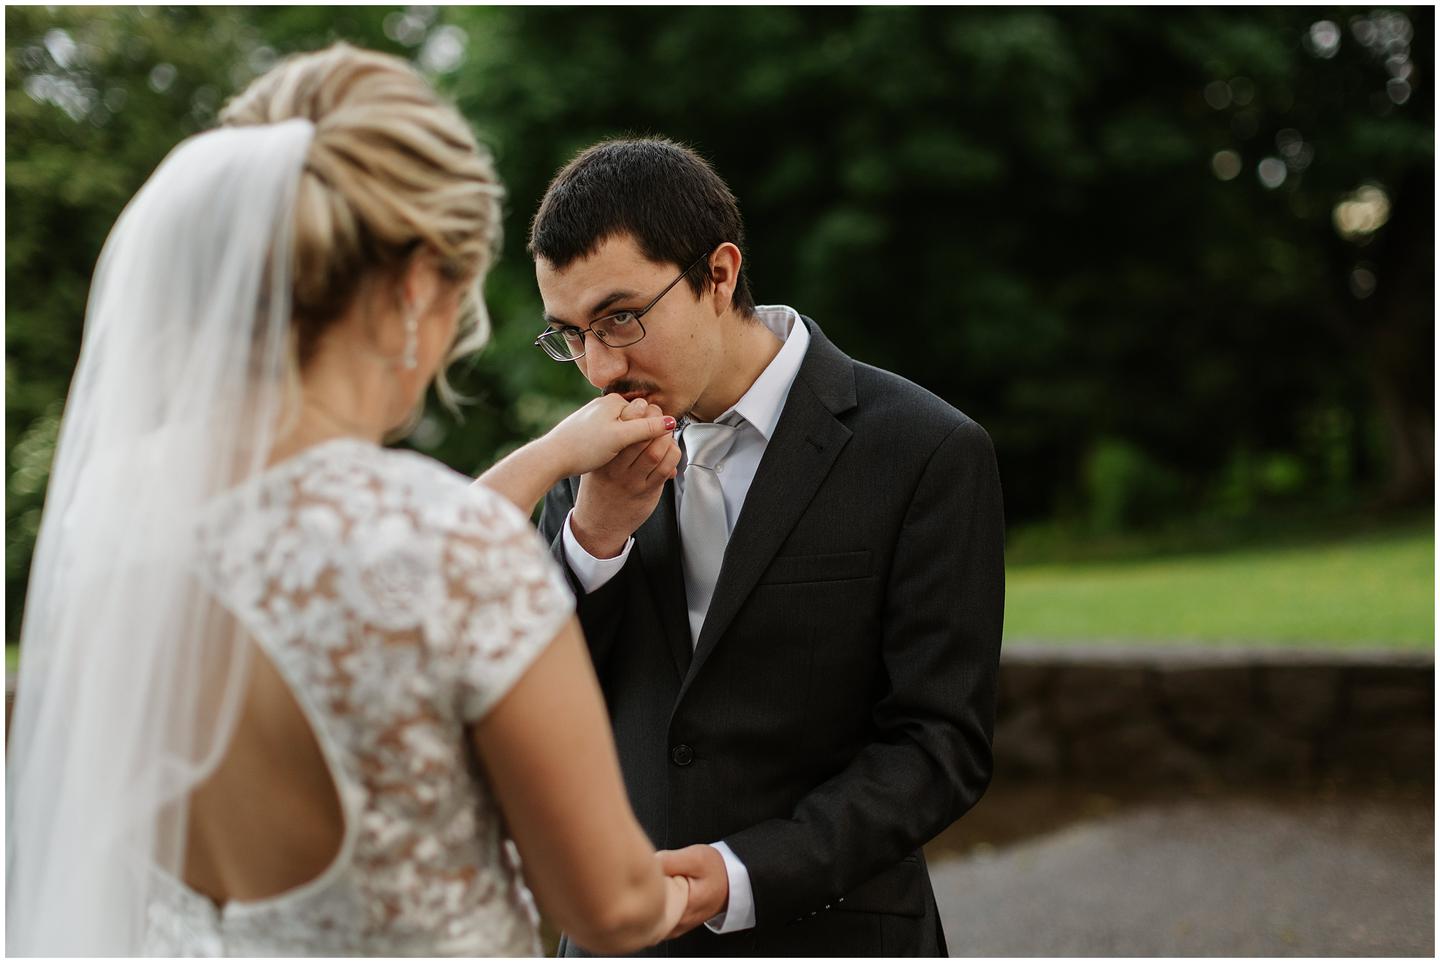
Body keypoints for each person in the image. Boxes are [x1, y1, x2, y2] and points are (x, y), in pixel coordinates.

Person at [5, 45, 690, 956]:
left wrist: (554, 454)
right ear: (413, 287)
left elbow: (359, 553)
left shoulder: (113, 511)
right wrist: (712, 882)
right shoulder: (444, 547)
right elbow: (609, 906)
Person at [529, 139, 1006, 956]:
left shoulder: (926, 450)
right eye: (571, 334)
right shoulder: (583, 465)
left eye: (620, 318)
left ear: (718, 275)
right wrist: (594, 539)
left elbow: (940, 746)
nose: (601, 368)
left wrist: (741, 872)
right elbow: (539, 704)